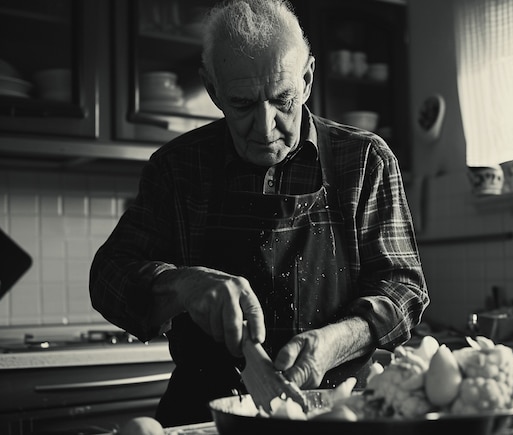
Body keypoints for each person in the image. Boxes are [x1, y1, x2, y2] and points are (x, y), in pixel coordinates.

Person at [89, 0, 429, 427]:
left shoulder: (364, 160)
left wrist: (334, 343)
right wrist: (181, 285)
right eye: (243, 104)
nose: (266, 127)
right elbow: (108, 277)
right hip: (208, 413)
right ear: (212, 90)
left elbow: (404, 289)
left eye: (282, 100)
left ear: (306, 80)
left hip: (340, 411)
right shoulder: (177, 169)